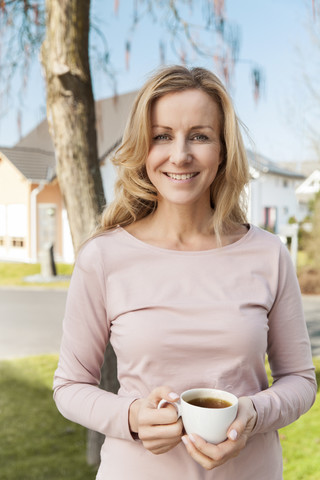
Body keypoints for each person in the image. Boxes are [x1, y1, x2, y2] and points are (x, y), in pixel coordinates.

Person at [53, 65, 317, 480]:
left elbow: (300, 380)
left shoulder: (268, 253)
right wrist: (132, 417)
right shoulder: (103, 256)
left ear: (223, 149)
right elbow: (69, 386)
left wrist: (253, 413)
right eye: (162, 136)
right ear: (143, 147)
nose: (180, 154)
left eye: (199, 135)